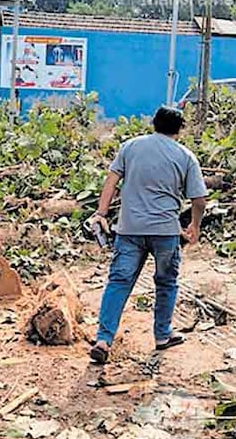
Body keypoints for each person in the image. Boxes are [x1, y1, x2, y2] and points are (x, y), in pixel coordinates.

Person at [87, 107, 208, 364]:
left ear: (153, 123)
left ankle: (103, 339)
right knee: (165, 283)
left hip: (129, 229)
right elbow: (199, 199)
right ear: (179, 129)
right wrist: (194, 225)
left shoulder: (130, 147)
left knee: (119, 282)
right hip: (165, 232)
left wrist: (101, 213)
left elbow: (111, 182)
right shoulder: (185, 156)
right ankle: (162, 335)